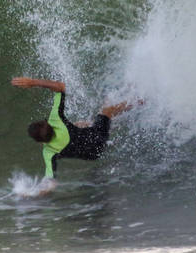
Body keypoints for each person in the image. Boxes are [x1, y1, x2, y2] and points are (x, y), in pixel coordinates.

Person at [11, 76, 140, 181]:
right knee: (107, 108)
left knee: (78, 125)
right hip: (97, 136)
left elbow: (50, 182)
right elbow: (61, 87)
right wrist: (33, 82)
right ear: (49, 123)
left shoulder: (49, 153)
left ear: (41, 142)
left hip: (95, 154)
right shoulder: (56, 119)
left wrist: (33, 194)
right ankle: (140, 101)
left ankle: (104, 125)